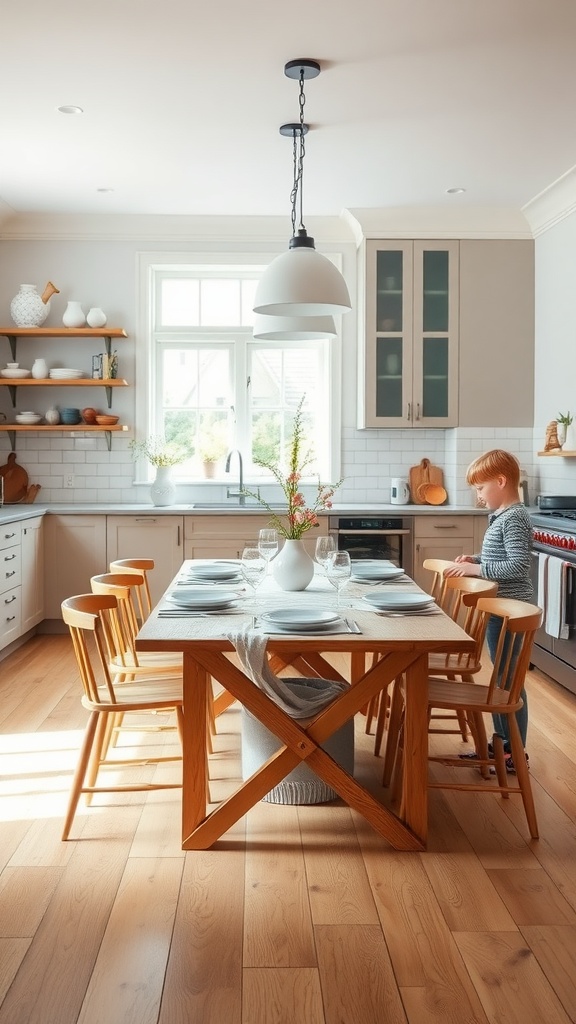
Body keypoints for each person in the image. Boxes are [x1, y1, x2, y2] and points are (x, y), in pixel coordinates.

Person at [444, 449, 533, 773]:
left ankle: (514, 754)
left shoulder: (516, 517)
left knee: (508, 685)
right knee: (501, 681)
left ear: (501, 480)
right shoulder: (502, 516)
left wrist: (477, 571)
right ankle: (500, 746)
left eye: (481, 489)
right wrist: (476, 560)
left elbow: (518, 565)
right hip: (500, 610)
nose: (479, 497)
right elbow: (500, 557)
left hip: (512, 612)